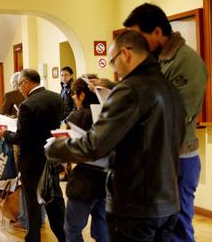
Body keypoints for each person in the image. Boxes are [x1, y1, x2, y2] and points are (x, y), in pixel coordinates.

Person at [45, 31, 186, 241]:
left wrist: (55, 148)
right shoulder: (169, 88)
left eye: (112, 61)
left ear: (126, 53)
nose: (114, 68)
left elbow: (95, 144)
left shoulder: (130, 89)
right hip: (168, 199)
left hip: (135, 203)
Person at [123, 3, 209, 241]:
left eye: (139, 36)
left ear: (158, 32)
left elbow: (177, 115)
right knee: (158, 229)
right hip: (155, 158)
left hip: (178, 160)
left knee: (178, 228)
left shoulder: (187, 62)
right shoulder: (153, 61)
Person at [0, 69, 66, 242]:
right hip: (50, 156)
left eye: (19, 85)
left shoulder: (28, 105)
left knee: (32, 200)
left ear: (26, 83)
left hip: (31, 159)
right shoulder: (56, 97)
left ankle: (34, 236)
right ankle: (62, 234)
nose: (19, 89)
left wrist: (5, 133)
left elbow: (21, 138)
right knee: (53, 196)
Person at [63, 78, 108, 242]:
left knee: (72, 228)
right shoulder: (108, 114)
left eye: (74, 95)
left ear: (81, 95)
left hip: (84, 181)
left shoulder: (77, 117)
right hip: (106, 180)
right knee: (102, 228)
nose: (73, 98)